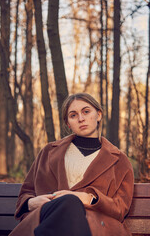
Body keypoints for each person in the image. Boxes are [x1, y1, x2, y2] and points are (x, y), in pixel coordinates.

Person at [9, 93, 134, 236]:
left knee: (70, 201)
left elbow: (120, 208)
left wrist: (89, 198)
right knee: (68, 203)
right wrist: (31, 203)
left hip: (95, 224)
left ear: (98, 115)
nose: (81, 119)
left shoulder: (119, 160)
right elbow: (25, 194)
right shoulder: (49, 151)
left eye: (86, 112)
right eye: (73, 115)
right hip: (45, 216)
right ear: (68, 123)